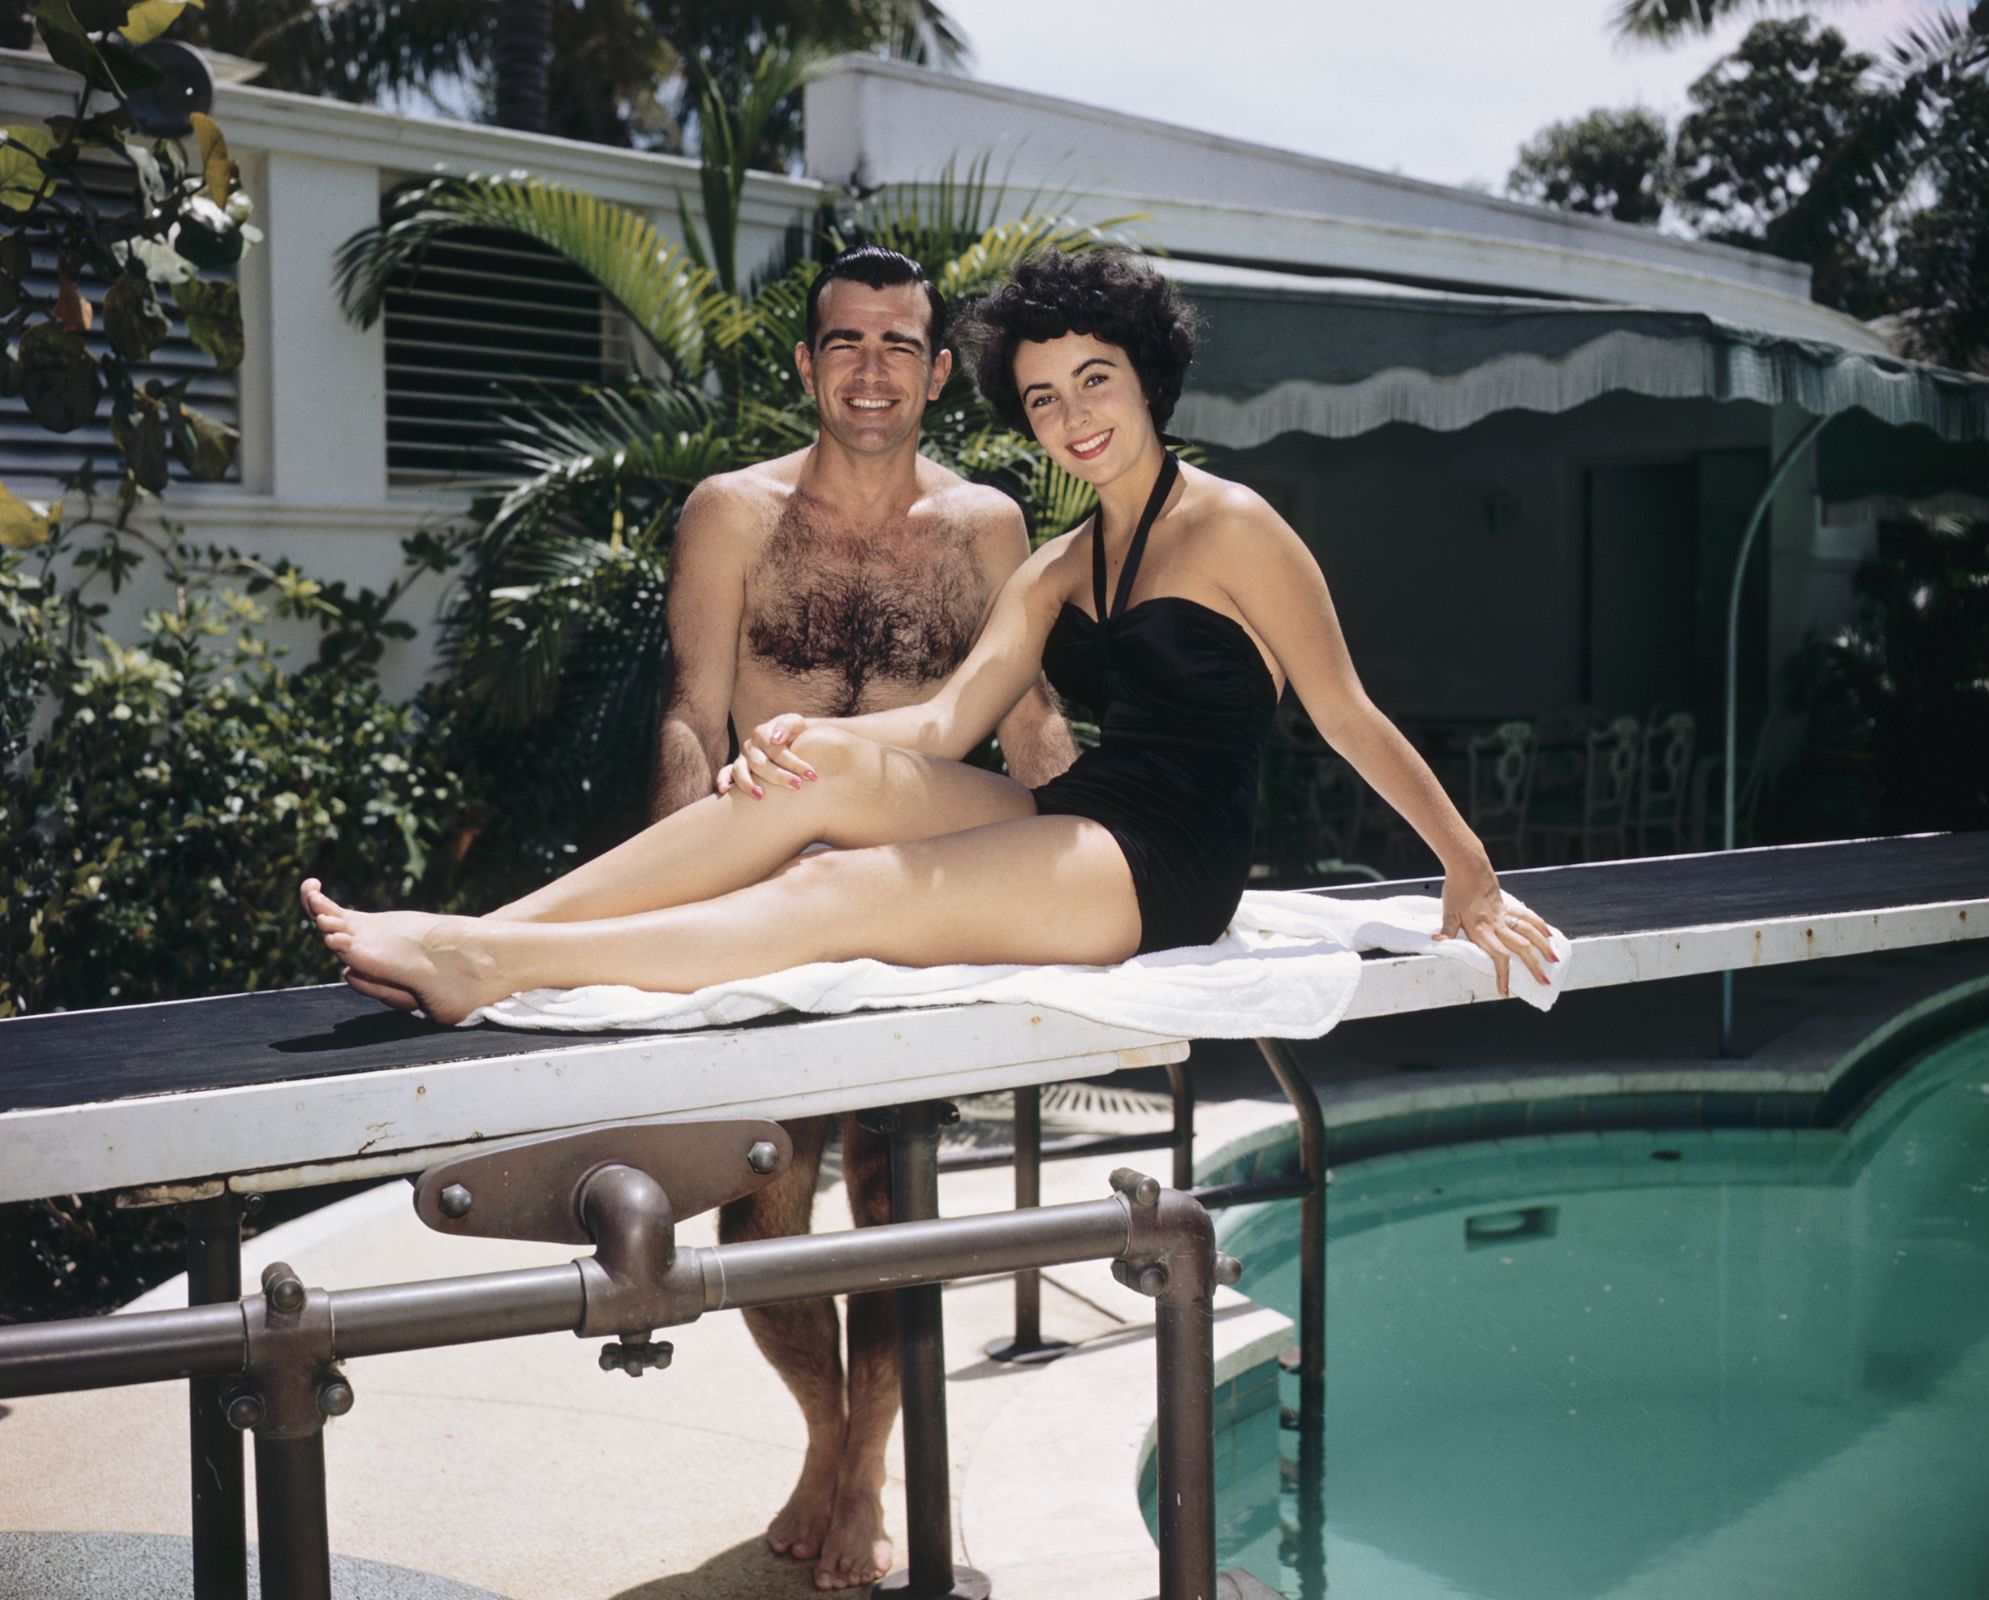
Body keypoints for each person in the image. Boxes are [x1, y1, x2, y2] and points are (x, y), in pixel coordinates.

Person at [301, 244, 1558, 1576]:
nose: (1072, 418)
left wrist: (1466, 866)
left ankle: (494, 964)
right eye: (1043, 398)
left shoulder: (1234, 525)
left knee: (836, 891)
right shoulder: (1064, 559)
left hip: (1171, 859)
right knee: (816, 774)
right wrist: (801, 748)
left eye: (1095, 381)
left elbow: (1347, 712)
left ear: (1150, 378)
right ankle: (484, 934)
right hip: (1092, 811)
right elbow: (952, 723)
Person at [646, 242, 1075, 1590]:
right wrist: (673, 893)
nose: (872, 370)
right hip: (769, 900)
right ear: (806, 364)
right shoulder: (734, 512)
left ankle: (868, 1470)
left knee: (899, 1198)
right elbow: (691, 710)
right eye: (846, 343)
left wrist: (1118, 865)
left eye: (899, 345)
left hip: (919, 907)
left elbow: (1029, 719)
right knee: (762, 1203)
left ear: (939, 373)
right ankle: (825, 1433)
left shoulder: (985, 526)